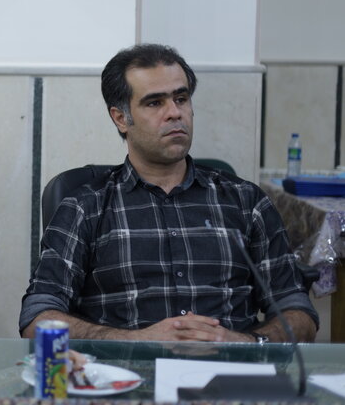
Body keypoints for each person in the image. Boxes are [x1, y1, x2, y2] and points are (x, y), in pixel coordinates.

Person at [20, 44, 318, 343]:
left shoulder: (245, 202)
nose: (175, 113)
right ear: (121, 118)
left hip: (229, 367)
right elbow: (37, 318)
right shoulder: (86, 207)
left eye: (181, 98)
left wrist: (245, 343)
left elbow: (299, 313)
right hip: (125, 369)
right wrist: (134, 341)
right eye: (154, 103)